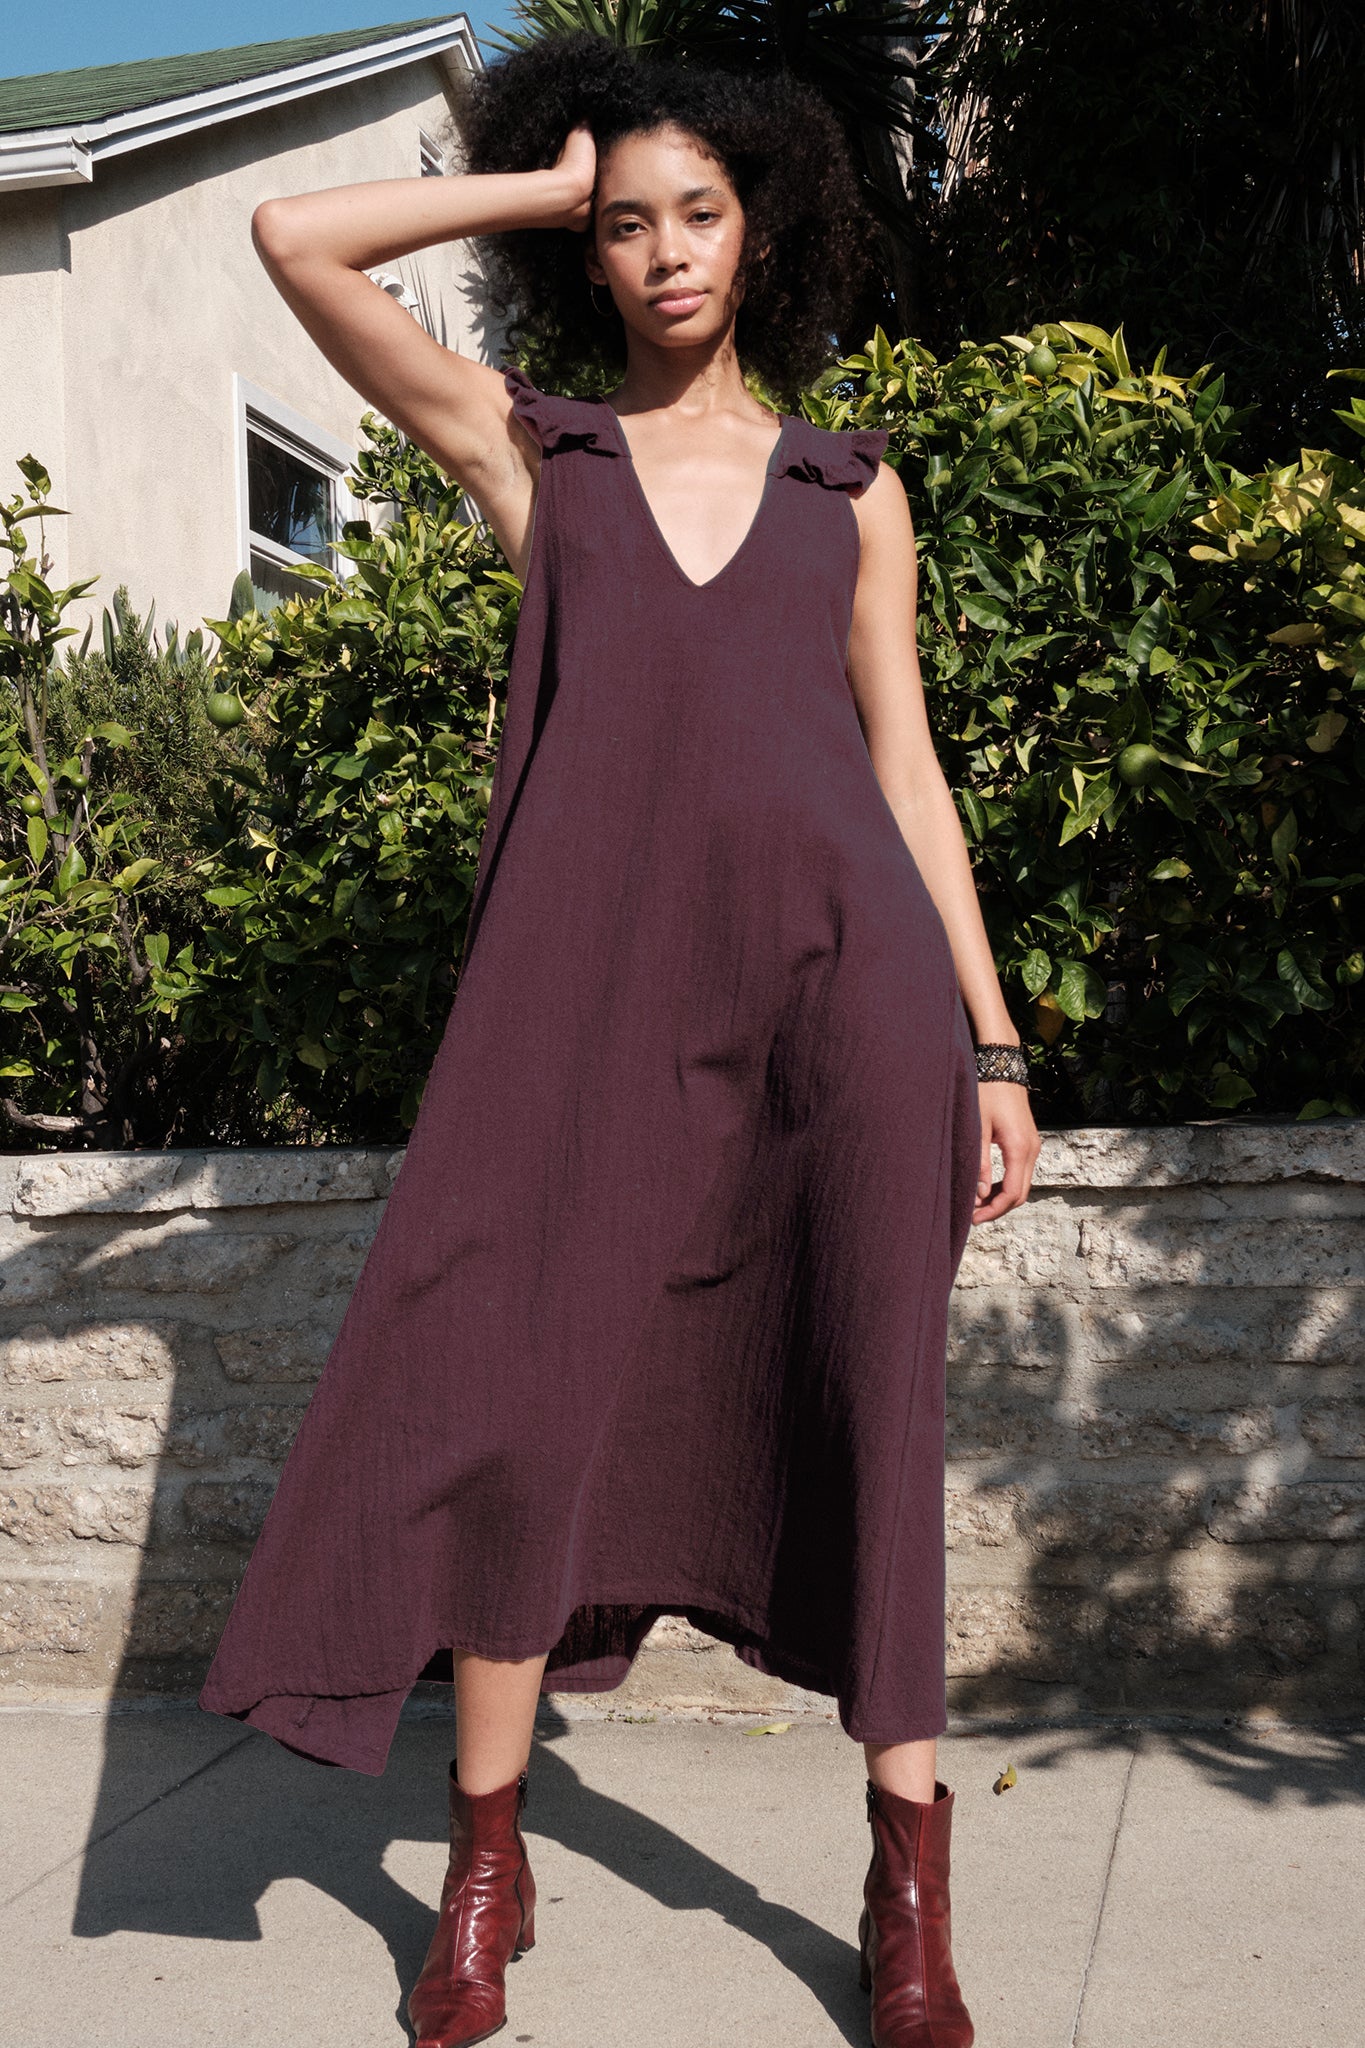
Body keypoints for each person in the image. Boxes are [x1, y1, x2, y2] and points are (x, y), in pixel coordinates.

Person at [199, 35, 1040, 2048]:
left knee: (871, 1417)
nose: (664, 251)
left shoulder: (851, 492)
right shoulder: (537, 457)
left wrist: (991, 1050)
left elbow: (906, 781)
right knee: (514, 1410)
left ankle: (906, 1882)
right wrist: (526, 184)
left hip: (842, 1019)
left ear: (763, 234)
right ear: (592, 246)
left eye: (698, 214)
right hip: (577, 1023)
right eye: (629, 221)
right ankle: (484, 1866)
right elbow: (292, 238)